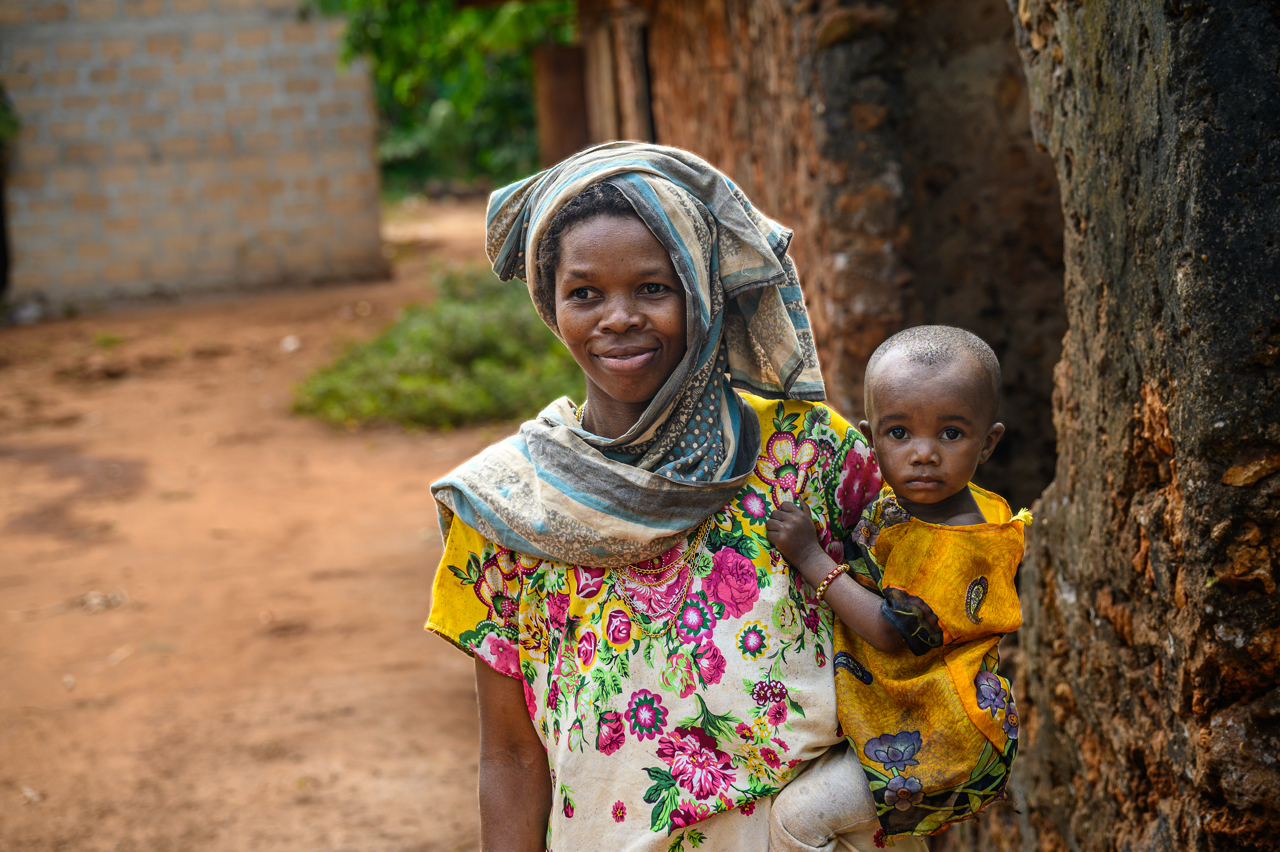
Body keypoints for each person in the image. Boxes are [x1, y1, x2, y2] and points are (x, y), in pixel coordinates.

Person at [425, 142, 885, 851]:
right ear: (550, 304)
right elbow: (512, 756)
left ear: (701, 293)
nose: (618, 318)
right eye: (585, 293)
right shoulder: (507, 508)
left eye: (653, 288)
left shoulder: (807, 455)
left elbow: (918, 628)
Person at [766, 326, 1028, 849]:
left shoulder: (957, 541)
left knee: (798, 818)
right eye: (900, 433)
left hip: (943, 735)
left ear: (988, 442)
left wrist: (811, 559)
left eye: (950, 434)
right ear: (871, 439)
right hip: (915, 717)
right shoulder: (913, 505)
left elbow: (890, 631)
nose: (923, 453)